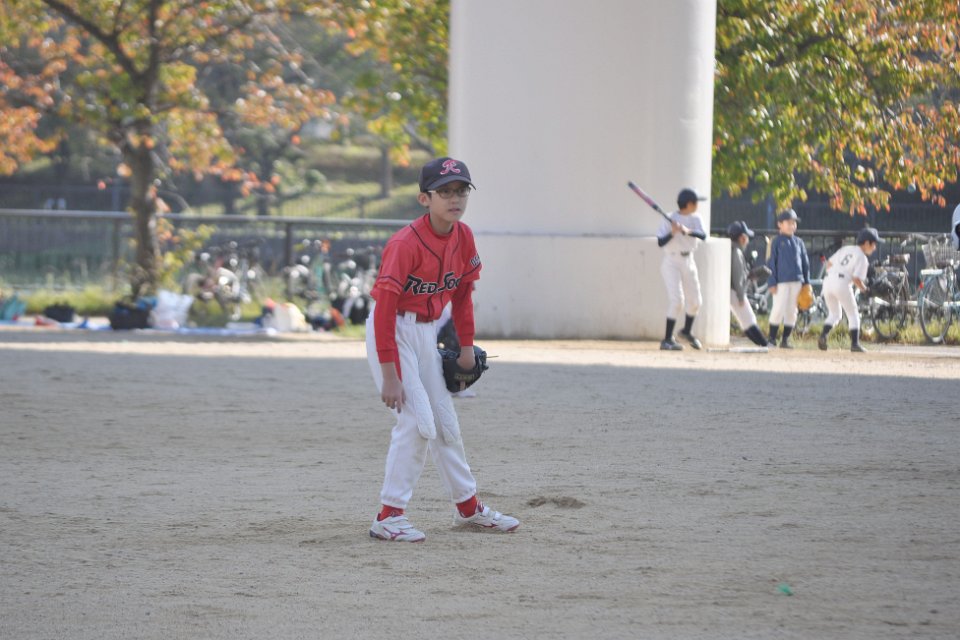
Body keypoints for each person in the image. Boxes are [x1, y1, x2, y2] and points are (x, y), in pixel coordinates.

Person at [364, 156, 519, 542]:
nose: (454, 198)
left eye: (461, 190)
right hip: (393, 330)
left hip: (427, 332)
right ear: (424, 199)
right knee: (417, 422)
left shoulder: (463, 237)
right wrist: (390, 374)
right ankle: (388, 515)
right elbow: (384, 310)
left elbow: (463, 297)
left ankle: (468, 508)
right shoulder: (404, 244)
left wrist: (465, 348)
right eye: (444, 191)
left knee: (445, 423)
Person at [657, 188, 707, 350]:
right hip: (672, 262)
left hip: (688, 260)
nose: (697, 205)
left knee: (696, 302)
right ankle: (667, 340)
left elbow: (703, 236)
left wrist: (688, 231)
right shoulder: (670, 218)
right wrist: (673, 232)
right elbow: (660, 242)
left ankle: (686, 331)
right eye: (695, 202)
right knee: (677, 301)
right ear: (689, 204)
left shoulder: (696, 218)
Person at [818, 227, 881, 353]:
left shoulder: (846, 249)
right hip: (842, 283)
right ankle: (855, 344)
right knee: (853, 314)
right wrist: (866, 290)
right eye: (873, 244)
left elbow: (828, 264)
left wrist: (837, 271)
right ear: (866, 243)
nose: (874, 248)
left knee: (835, 314)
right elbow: (856, 279)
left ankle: (823, 335)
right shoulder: (862, 258)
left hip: (828, 281)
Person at [766, 208, 811, 348]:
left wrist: (807, 282)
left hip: (797, 281)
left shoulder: (799, 242)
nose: (792, 225)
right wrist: (772, 282)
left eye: (794, 223)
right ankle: (771, 339)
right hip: (781, 282)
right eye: (789, 223)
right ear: (779, 224)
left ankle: (785, 340)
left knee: (792, 311)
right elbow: (770, 263)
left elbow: (805, 263)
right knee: (778, 308)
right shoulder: (775, 242)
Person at [728, 221, 769, 347]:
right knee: (749, 319)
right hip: (735, 291)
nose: (747, 240)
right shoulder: (737, 252)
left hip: (732, 290)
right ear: (742, 238)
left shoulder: (732, 249)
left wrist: (750, 275)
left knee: (745, 321)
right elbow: (737, 277)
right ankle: (764, 344)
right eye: (746, 237)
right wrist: (741, 296)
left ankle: (762, 344)